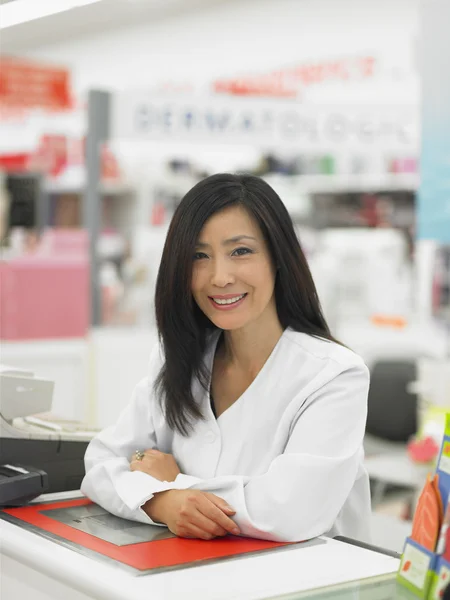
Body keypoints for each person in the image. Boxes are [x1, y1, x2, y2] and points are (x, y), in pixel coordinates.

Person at [81, 173, 371, 543]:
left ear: (279, 258)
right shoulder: (181, 359)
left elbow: (290, 512)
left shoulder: (334, 376)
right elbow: (101, 463)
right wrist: (162, 504)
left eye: (241, 251)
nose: (219, 277)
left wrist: (173, 484)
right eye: (199, 256)